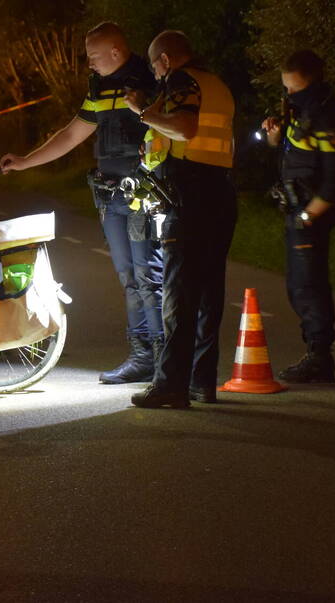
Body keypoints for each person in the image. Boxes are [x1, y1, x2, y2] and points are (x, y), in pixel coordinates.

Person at [0, 22, 163, 385]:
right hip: (111, 195)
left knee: (149, 278)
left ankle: (167, 360)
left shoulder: (150, 81)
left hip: (144, 196)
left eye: (93, 56)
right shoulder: (100, 88)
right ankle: (142, 358)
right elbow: (73, 132)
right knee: (129, 279)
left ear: (116, 52)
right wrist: (26, 161)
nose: (88, 63)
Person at [124, 30, 237, 408]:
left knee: (178, 295)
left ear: (166, 60)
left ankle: (170, 385)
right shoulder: (216, 83)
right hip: (220, 193)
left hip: (188, 195)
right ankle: (201, 383)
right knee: (208, 295)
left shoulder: (181, 81)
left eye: (156, 67)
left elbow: (186, 128)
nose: (156, 76)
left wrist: (143, 111)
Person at [261, 50, 335, 383]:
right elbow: (289, 151)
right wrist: (274, 135)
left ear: (310, 81)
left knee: (307, 286)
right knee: (300, 286)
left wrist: (308, 215)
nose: (287, 95)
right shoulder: (301, 110)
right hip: (297, 209)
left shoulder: (329, 115)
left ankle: (319, 357)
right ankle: (316, 352)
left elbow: (334, 178)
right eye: (285, 89)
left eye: (292, 89)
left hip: (310, 213)